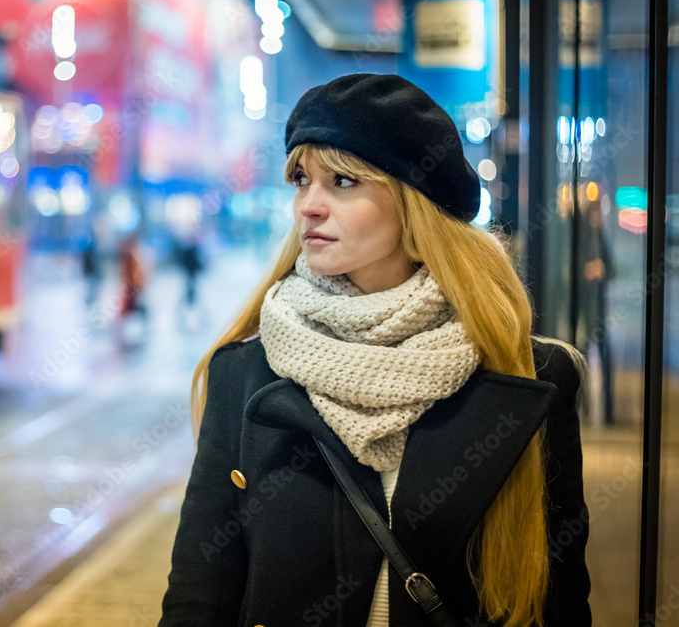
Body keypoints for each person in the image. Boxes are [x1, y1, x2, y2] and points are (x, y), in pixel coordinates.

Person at [158, 74, 590, 626]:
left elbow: (559, 599)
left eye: (341, 180)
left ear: (415, 206)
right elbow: (200, 593)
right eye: (300, 180)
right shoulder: (244, 372)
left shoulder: (529, 375)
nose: (308, 206)